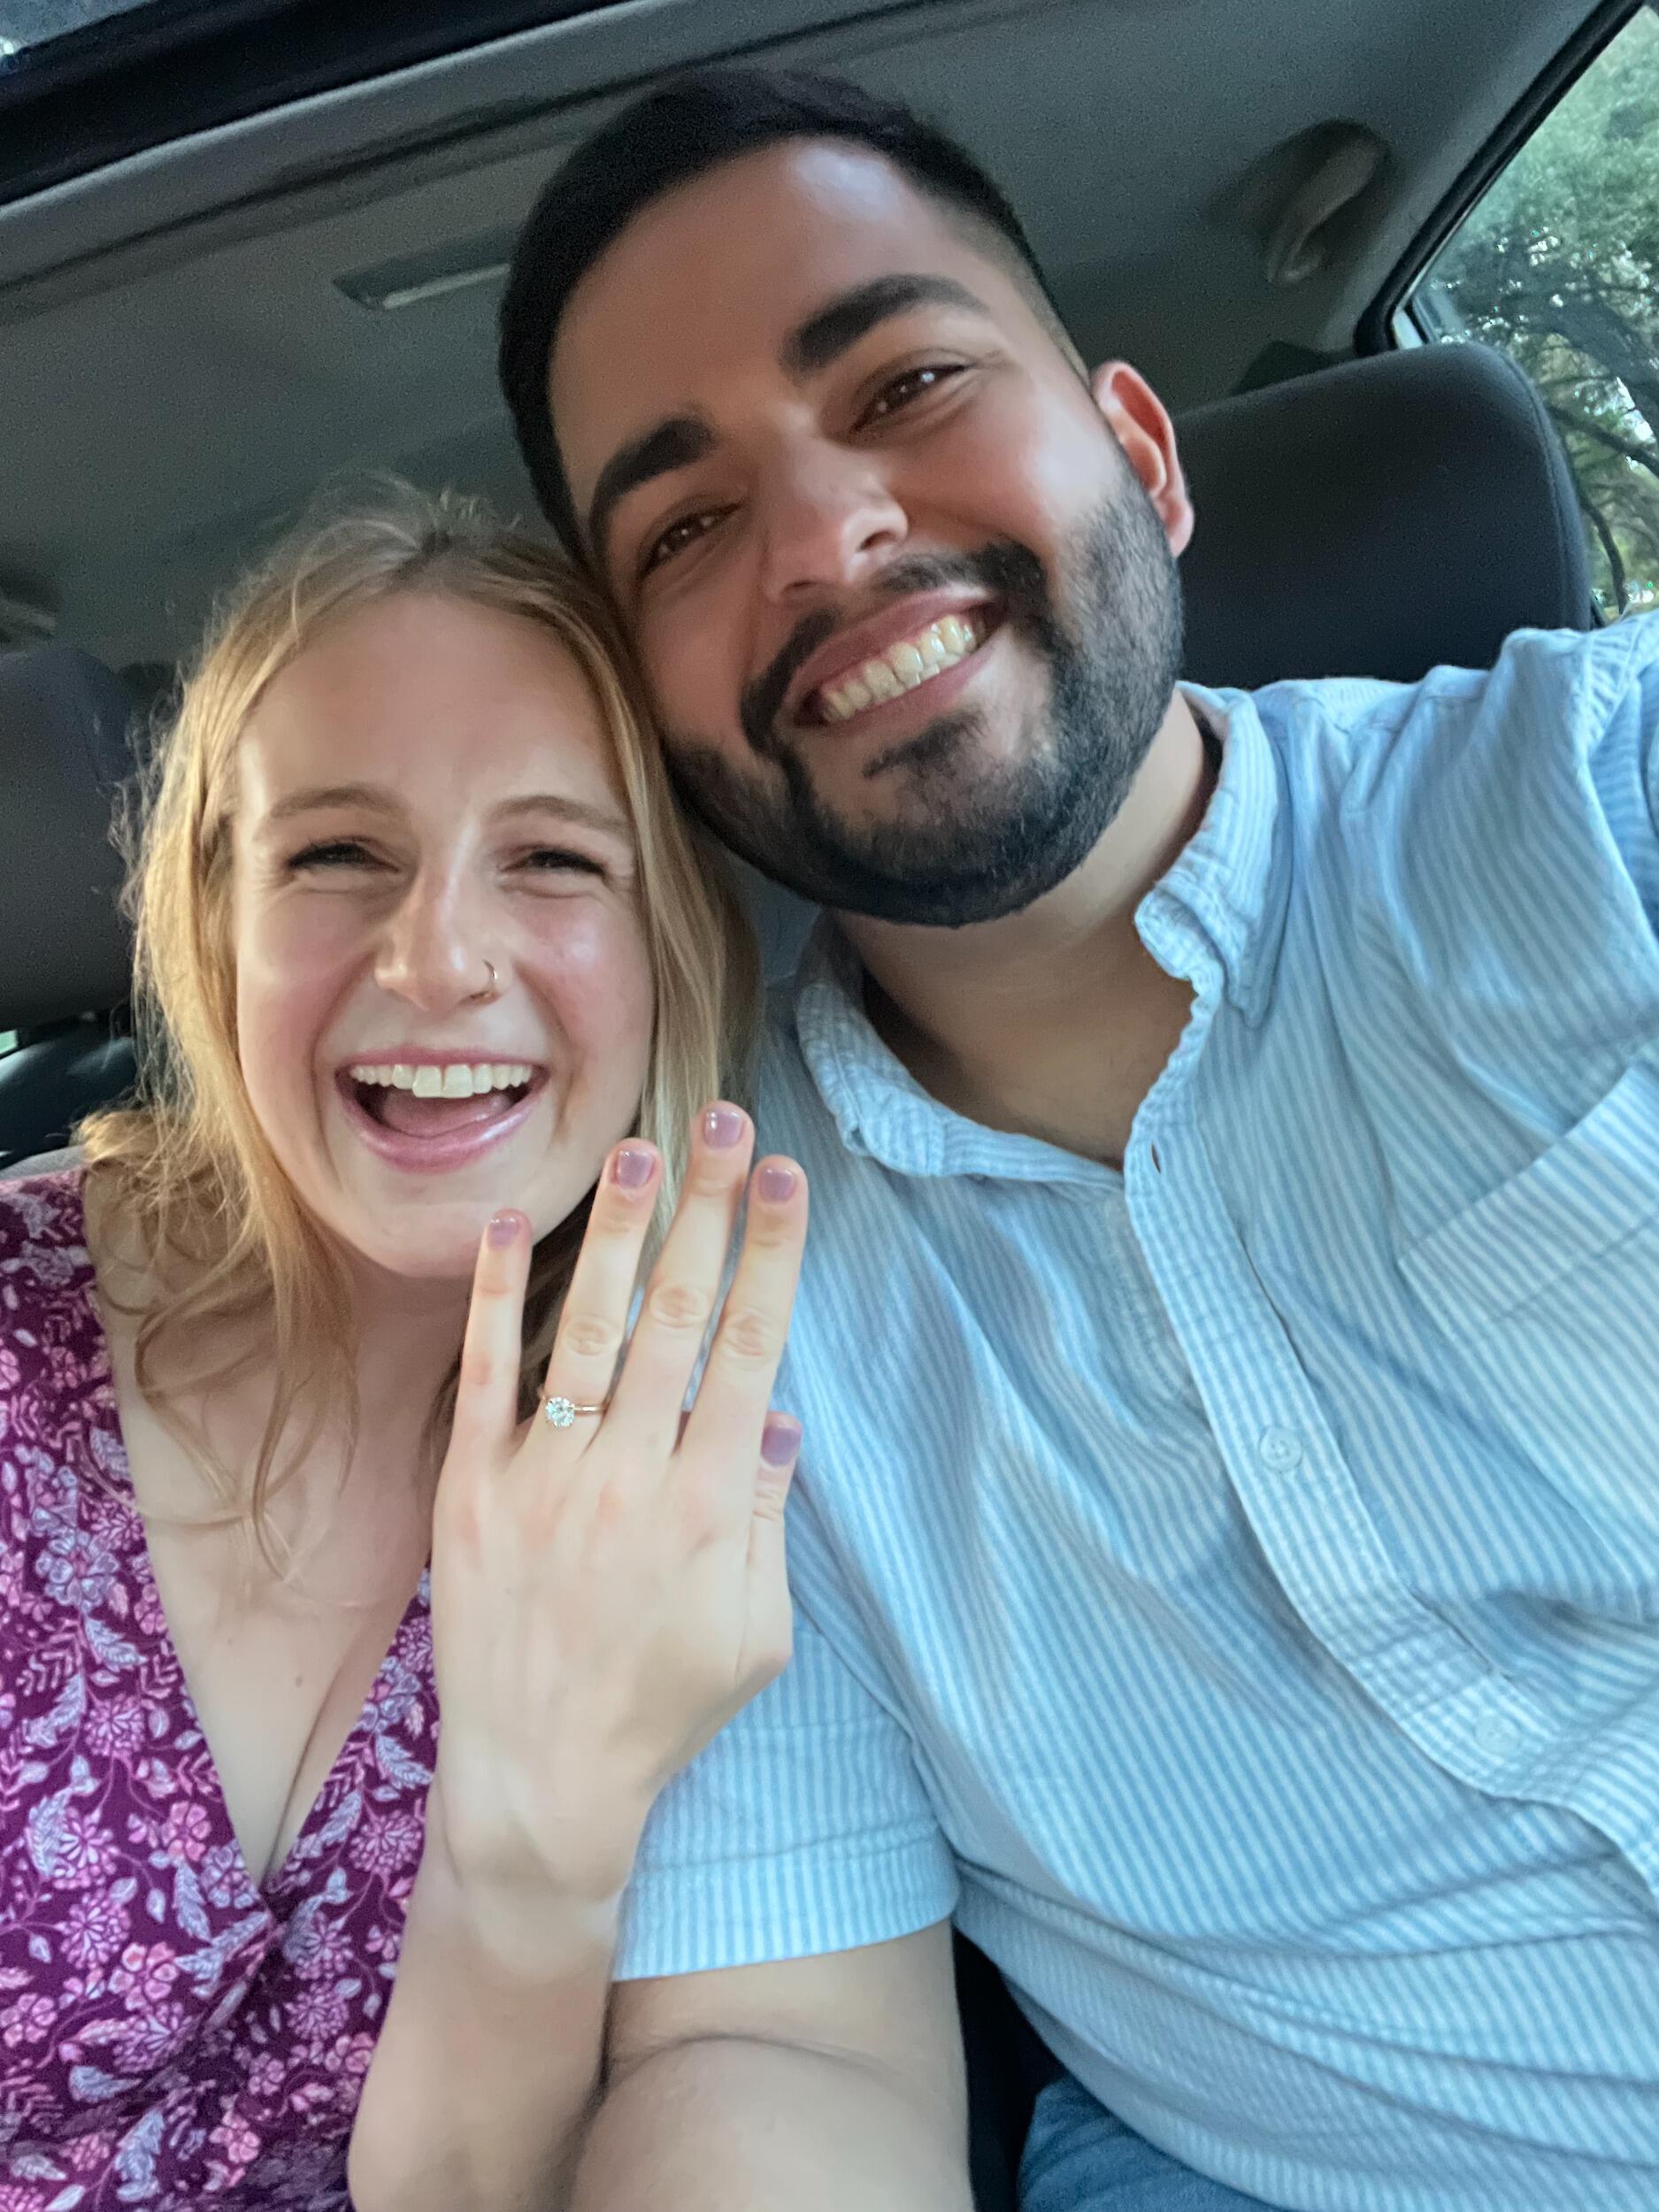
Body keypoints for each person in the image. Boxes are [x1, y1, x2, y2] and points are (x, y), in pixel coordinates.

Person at [494, 65, 1659, 2212]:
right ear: (650, 720)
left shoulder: (1606, 793)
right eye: (682, 528)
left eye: (905, 381)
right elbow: (780, 2038)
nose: (823, 537)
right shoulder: (698, 1318)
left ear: (1137, 451)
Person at [0, 487, 811, 2210]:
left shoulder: (704, 1479)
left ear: (670, 936)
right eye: (336, 855)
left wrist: (533, 1844)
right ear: (214, 918)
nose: (438, 958)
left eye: (554, 857)